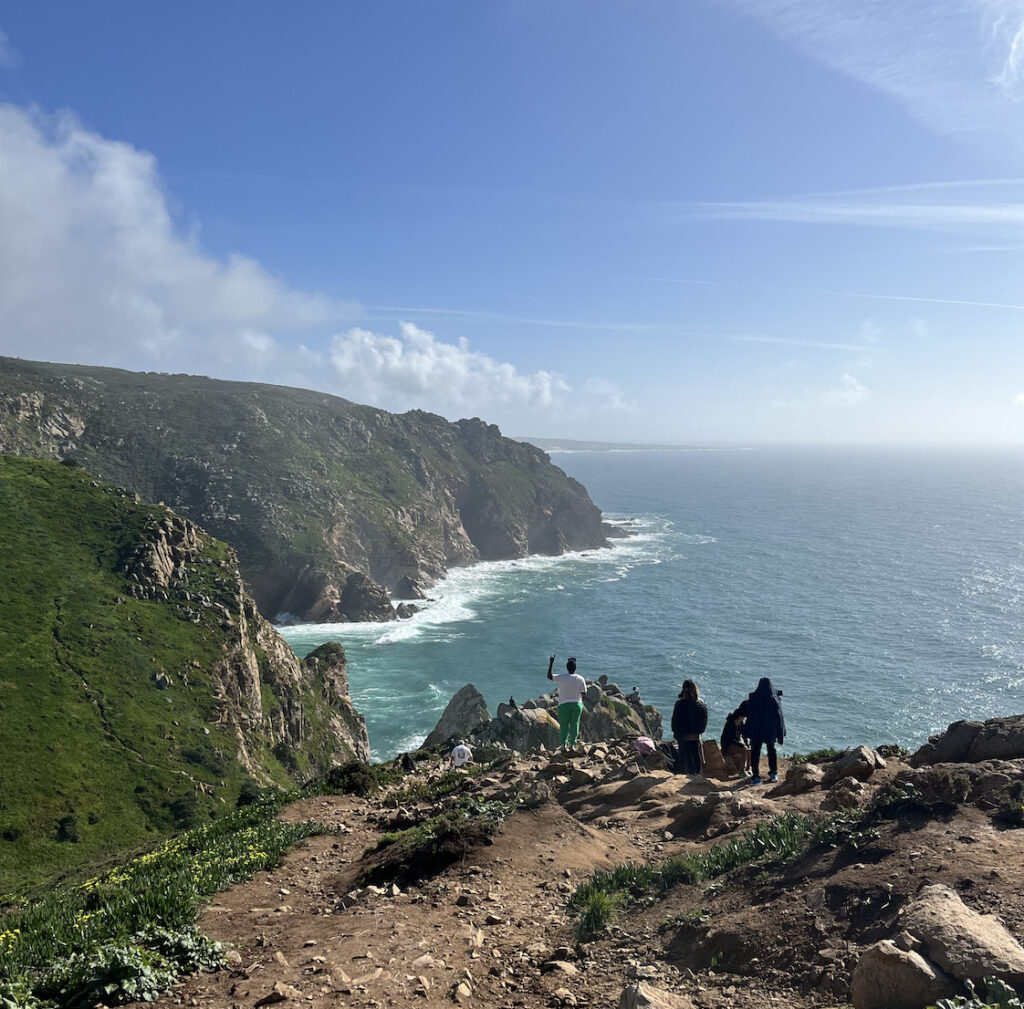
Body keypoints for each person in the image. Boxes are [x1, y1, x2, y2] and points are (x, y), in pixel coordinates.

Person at [745, 677, 785, 785]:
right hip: (770, 730)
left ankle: (756, 777)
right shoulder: (774, 699)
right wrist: (781, 734)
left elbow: (750, 717)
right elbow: (780, 717)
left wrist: (746, 733)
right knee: (771, 750)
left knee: (755, 753)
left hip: (756, 730)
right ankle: (773, 774)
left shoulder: (753, 698)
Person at [547, 654, 586, 751]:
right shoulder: (580, 679)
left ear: (567, 668)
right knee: (574, 724)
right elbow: (584, 693)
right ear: (575, 668)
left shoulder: (562, 677)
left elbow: (549, 676)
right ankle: (572, 745)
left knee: (564, 725)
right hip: (577, 704)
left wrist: (551, 663)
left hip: (563, 705)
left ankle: (563, 745)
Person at [671, 679, 708, 774]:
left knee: (684, 756)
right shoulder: (701, 703)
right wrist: (699, 731)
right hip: (696, 735)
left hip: (683, 735)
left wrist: (676, 732)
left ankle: (683, 774)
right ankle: (696, 774)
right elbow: (704, 719)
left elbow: (675, 720)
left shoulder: (680, 703)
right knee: (695, 755)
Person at [720, 708, 751, 776]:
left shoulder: (740, 723)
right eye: (743, 717)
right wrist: (741, 745)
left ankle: (748, 769)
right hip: (728, 744)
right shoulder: (730, 723)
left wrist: (747, 744)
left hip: (736, 742)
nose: (744, 718)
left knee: (749, 750)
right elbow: (730, 739)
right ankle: (741, 771)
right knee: (744, 750)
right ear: (739, 716)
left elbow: (744, 735)